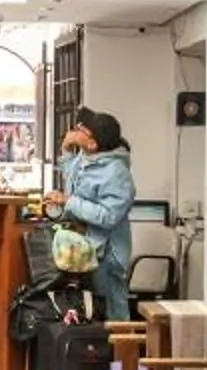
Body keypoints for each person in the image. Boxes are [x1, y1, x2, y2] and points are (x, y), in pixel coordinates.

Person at [45, 107, 138, 321]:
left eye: (81, 131)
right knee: (90, 309)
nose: (76, 131)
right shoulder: (87, 157)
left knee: (112, 311)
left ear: (93, 143)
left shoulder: (116, 172)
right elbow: (74, 178)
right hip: (87, 247)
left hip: (107, 254)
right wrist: (67, 151)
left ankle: (120, 353)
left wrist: (69, 201)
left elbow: (108, 216)